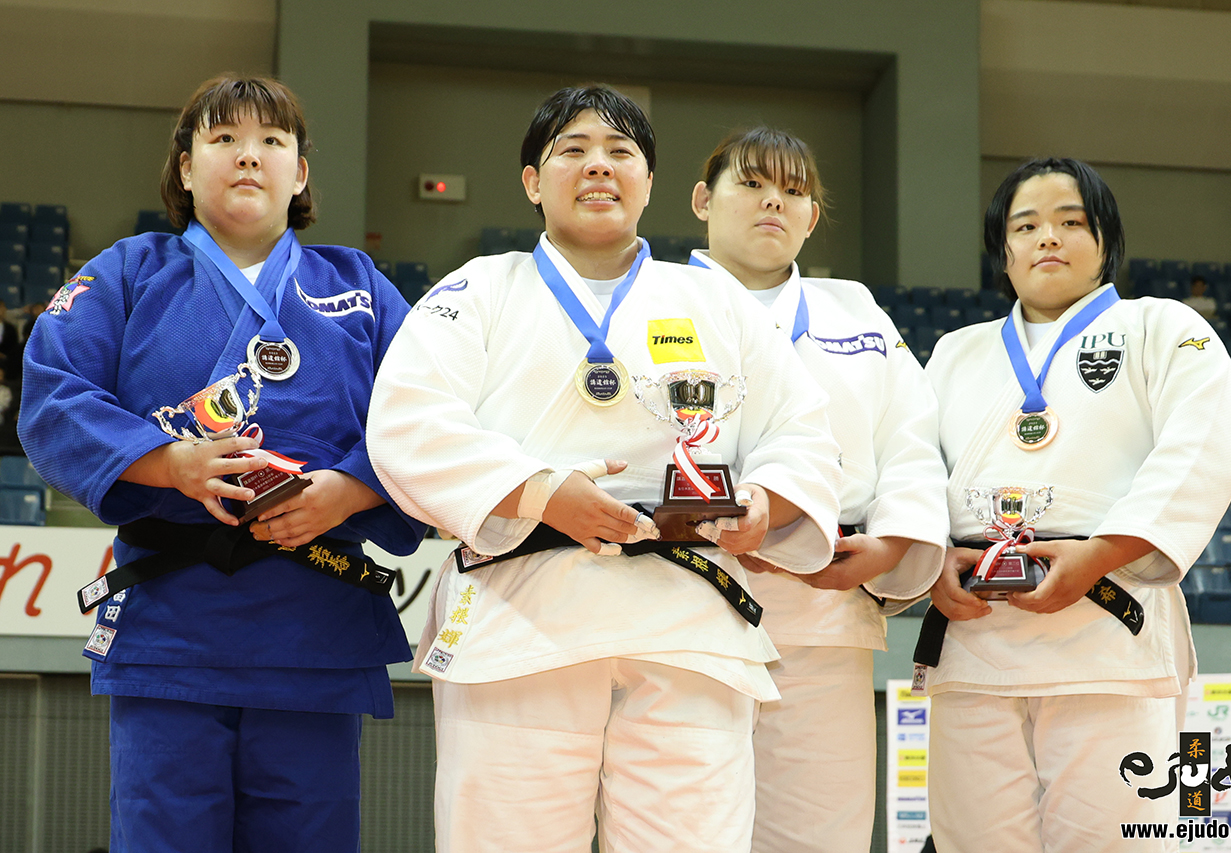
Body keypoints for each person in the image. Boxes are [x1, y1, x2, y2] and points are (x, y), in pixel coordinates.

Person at [366, 86, 841, 853]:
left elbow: (802, 427)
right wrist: (543, 492)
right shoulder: (477, 288)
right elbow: (405, 421)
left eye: (621, 152)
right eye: (574, 150)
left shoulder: (715, 300)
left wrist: (765, 502)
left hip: (688, 619)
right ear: (532, 180)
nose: (598, 166)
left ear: (650, 183)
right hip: (522, 614)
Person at [19, 75, 425, 853]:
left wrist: (351, 489)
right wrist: (165, 461)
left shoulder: (360, 289)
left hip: (314, 625)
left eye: (272, 140)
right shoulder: (126, 272)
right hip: (173, 627)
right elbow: (50, 396)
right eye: (224, 138)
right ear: (185, 165)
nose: (249, 156)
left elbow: (429, 416)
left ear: (300, 172)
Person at [917, 157, 1231, 852]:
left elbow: (1206, 445)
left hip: (1110, 629)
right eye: (1026, 226)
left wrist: (1101, 553)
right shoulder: (954, 353)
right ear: (1001, 250)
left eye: (1071, 221)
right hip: (975, 635)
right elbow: (910, 468)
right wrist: (927, 555)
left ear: (1106, 239)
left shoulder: (1163, 327)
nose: (1048, 237)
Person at [688, 126, 948, 853]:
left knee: (821, 834)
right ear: (703, 200)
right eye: (752, 183)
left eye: (794, 191)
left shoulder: (856, 312)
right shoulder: (651, 300)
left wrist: (891, 545)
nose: (774, 201)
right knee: (678, 830)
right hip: (684, 602)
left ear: (811, 217)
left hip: (825, 609)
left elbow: (911, 438)